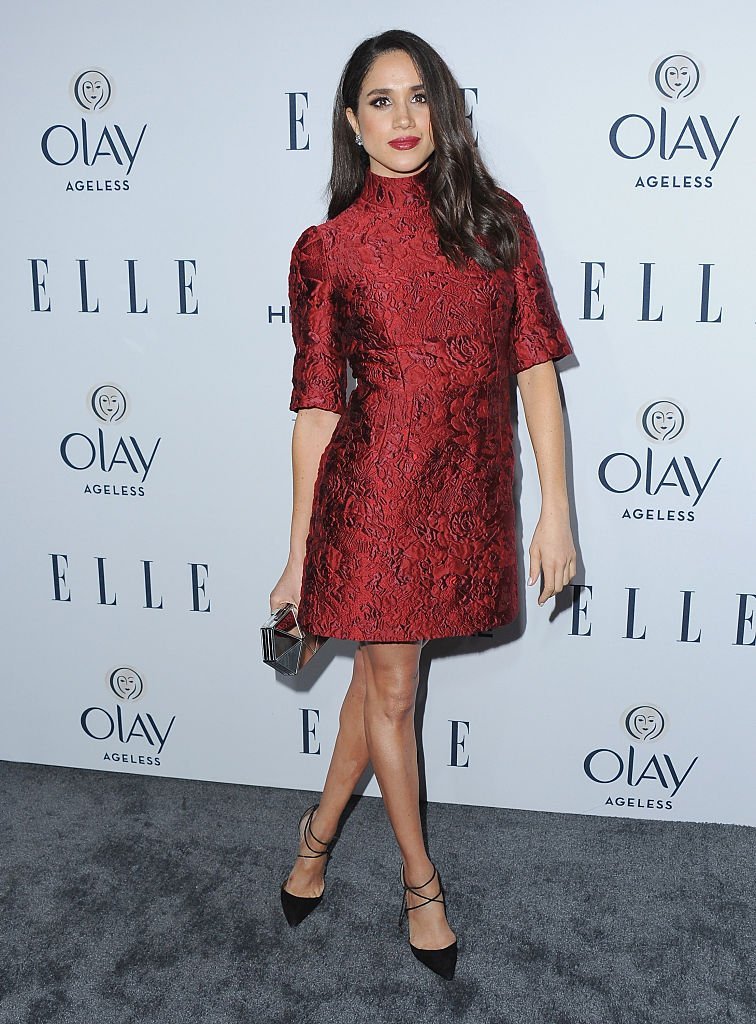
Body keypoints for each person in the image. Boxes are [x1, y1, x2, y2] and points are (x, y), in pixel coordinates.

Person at [269, 28, 577, 981]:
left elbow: (534, 374)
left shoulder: (499, 223)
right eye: (379, 102)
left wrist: (556, 510)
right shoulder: (328, 249)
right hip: (374, 495)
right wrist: (298, 554)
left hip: (469, 490)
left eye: (417, 97)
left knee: (375, 683)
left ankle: (317, 836)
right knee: (395, 688)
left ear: (444, 110)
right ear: (352, 126)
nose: (402, 119)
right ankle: (419, 883)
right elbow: (319, 413)